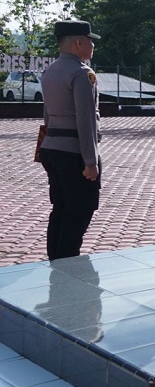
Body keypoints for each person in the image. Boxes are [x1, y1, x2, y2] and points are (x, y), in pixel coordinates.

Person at [38, 19, 102, 260]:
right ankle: (67, 265)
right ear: (78, 42)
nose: (93, 46)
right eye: (90, 41)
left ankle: (55, 260)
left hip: (51, 147)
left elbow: (46, 115)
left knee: (61, 208)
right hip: (75, 151)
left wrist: (43, 147)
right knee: (79, 211)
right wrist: (90, 161)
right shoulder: (82, 73)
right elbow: (85, 120)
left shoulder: (49, 71)